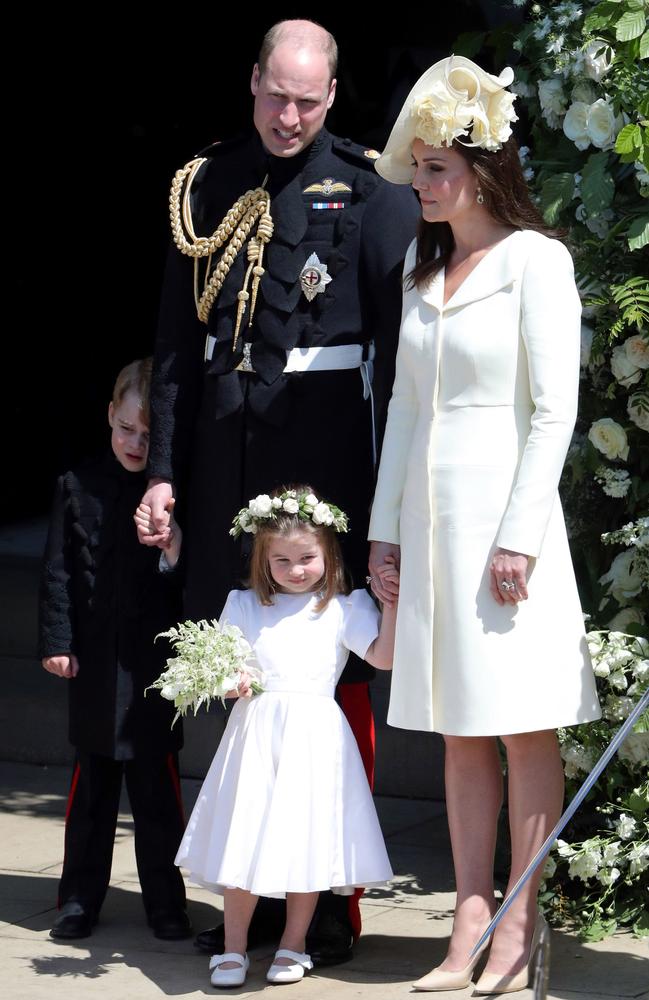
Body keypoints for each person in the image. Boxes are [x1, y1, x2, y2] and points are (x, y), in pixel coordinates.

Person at [137, 18, 419, 962]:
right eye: (275, 93)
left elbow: (406, 350)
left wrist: (393, 500)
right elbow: (178, 347)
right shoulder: (207, 184)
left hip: (325, 464)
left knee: (329, 682)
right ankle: (243, 891)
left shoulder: (374, 192)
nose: (288, 115)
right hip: (226, 463)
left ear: (332, 96)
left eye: (307, 99)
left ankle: (330, 895)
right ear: (252, 80)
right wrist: (168, 469)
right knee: (232, 673)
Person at [367, 56, 601, 995]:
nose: (421, 184)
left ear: (483, 169)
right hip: (432, 530)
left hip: (508, 529)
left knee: (519, 729)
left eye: (435, 168)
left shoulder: (535, 261)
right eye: (416, 166)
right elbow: (407, 417)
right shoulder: (424, 271)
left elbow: (554, 410)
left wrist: (520, 536)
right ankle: (467, 920)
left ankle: (517, 921)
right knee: (461, 731)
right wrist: (385, 536)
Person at [150, 485, 399, 988]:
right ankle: (234, 945)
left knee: (304, 841)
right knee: (246, 836)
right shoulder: (243, 604)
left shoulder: (344, 608)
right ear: (263, 560)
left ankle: (293, 943)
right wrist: (230, 681)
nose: (295, 569)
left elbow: (383, 657)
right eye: (281, 560)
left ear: (328, 554)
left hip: (314, 738)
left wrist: (392, 604)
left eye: (307, 557)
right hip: (257, 735)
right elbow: (220, 663)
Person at [38, 358, 191, 942]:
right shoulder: (76, 485)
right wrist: (58, 642)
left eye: (149, 435)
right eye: (126, 427)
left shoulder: (173, 497)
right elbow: (58, 572)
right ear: (109, 415)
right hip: (97, 663)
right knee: (93, 790)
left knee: (157, 792)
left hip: (153, 664)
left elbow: (185, 582)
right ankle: (78, 898)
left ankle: (165, 902)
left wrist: (174, 550)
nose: (135, 442)